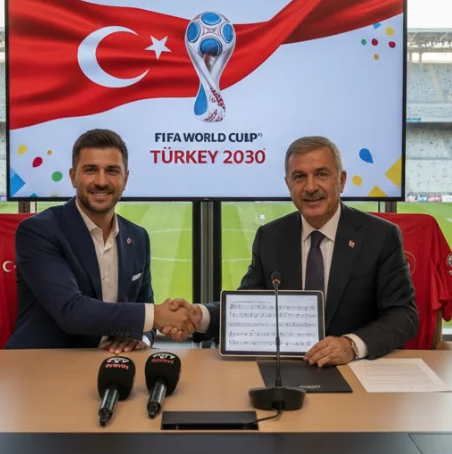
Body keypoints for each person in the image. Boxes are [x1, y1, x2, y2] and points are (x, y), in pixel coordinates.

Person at [166, 136, 418, 366]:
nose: (310, 187)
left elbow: (403, 314)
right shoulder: (271, 237)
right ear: (288, 184)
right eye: (299, 177)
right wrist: (199, 316)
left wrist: (351, 345)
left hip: (355, 369)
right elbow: (248, 307)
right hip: (286, 369)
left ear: (341, 181)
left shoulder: (380, 236)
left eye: (321, 174)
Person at [6, 129, 198, 351]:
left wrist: (142, 338)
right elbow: (71, 311)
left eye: (112, 171)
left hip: (113, 362)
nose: (101, 181)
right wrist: (157, 316)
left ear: (125, 179)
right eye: (90, 170)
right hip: (42, 363)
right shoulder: (38, 231)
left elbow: (144, 314)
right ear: (73, 177)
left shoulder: (138, 237)